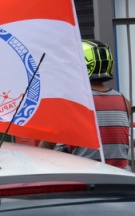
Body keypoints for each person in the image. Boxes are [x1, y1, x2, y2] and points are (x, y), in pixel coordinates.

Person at [41, 39, 132, 170]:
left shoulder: (75, 101)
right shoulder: (123, 101)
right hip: (121, 175)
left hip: (87, 176)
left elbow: (49, 143)